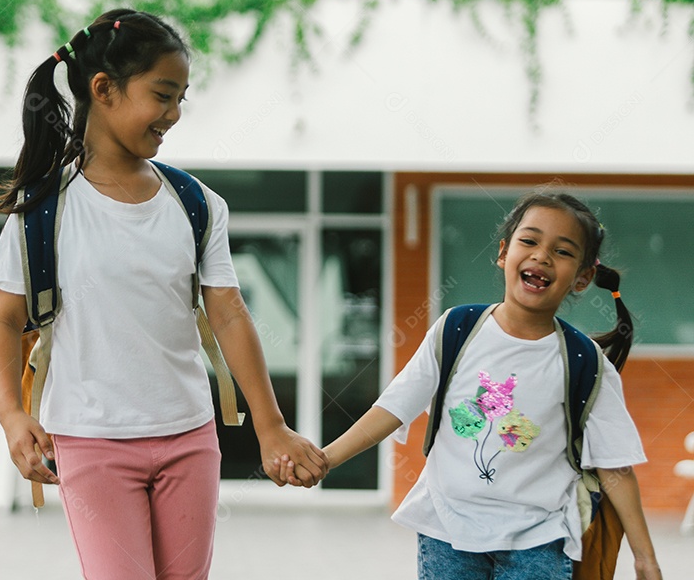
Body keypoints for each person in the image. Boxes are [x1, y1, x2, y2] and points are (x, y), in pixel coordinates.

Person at [0, 8, 328, 580]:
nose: (174, 114)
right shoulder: (44, 211)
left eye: (182, 98)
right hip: (91, 442)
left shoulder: (195, 204)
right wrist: (13, 416)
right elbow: (2, 322)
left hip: (189, 437)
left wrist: (272, 428)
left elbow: (230, 315)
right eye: (163, 95)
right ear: (103, 89)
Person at [278, 189, 663, 579]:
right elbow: (392, 409)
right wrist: (326, 459)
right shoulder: (457, 329)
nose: (541, 256)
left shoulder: (584, 361)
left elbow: (616, 467)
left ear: (583, 278)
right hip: (448, 531)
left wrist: (645, 558)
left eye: (562, 251)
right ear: (503, 253)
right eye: (528, 241)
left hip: (539, 539)